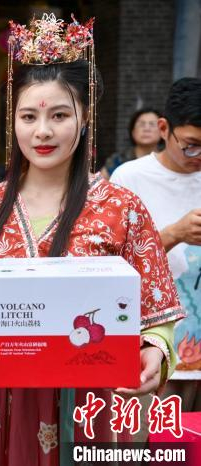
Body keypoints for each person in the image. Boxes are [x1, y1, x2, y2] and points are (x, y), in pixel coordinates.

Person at [0, 14, 184, 465]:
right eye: (29, 116)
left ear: (85, 117)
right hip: (1, 399)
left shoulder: (121, 207)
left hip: (89, 398)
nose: (43, 131)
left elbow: (156, 310)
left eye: (59, 115)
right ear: (12, 120)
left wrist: (154, 352)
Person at [111, 77, 201, 411]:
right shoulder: (129, 178)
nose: (198, 155)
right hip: (154, 349)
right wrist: (174, 234)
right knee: (161, 438)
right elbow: (113, 266)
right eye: (191, 145)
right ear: (164, 129)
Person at [101, 107, 163, 178]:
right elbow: (99, 183)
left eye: (152, 124)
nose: (147, 129)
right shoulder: (118, 160)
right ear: (133, 132)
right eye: (142, 124)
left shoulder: (168, 160)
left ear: (162, 131)